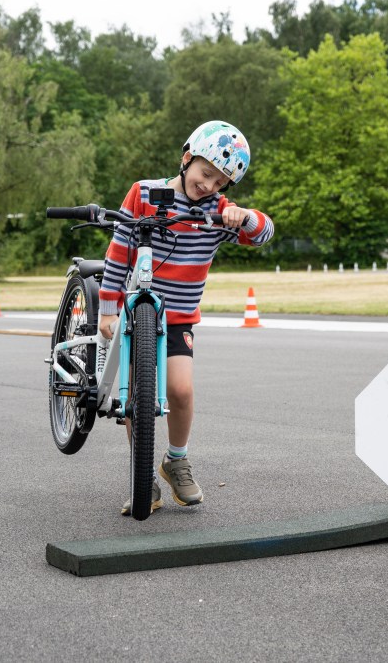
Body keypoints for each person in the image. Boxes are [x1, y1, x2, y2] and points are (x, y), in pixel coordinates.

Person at [97, 120, 274, 516]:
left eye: (221, 182)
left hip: (177, 319)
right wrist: (108, 311)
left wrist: (242, 217)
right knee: (137, 397)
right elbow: (118, 252)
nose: (209, 185)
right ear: (186, 158)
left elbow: (264, 233)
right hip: (136, 314)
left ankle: (176, 460)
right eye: (205, 173)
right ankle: (143, 477)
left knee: (180, 391)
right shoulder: (143, 194)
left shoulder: (218, 211)